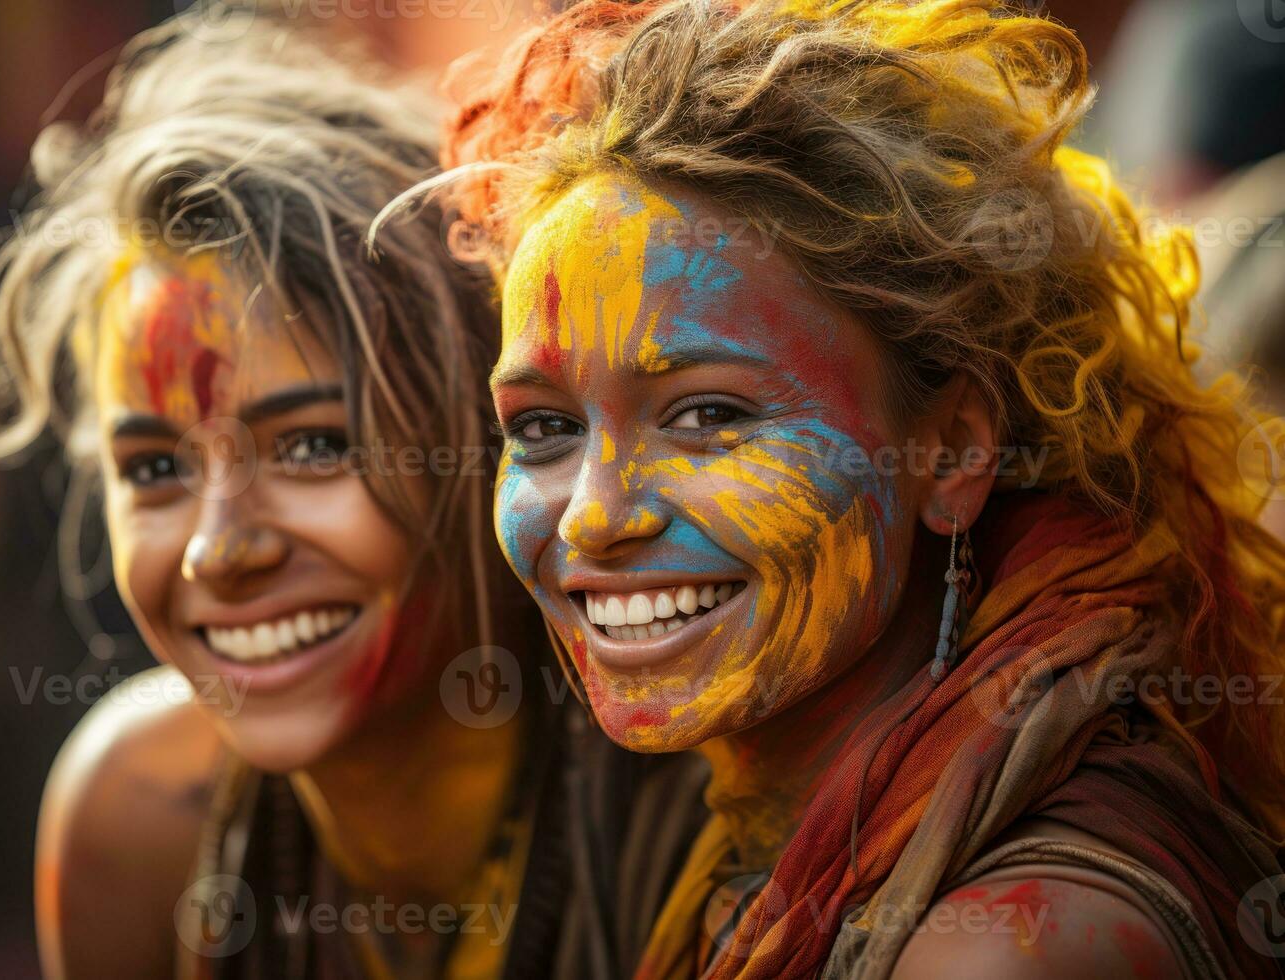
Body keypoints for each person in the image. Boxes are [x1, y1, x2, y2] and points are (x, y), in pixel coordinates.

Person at [411, 0, 1285, 975]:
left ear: (951, 450)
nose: (596, 515)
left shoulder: (1003, 947)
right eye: (545, 427)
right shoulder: (744, 834)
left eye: (706, 416)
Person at [0, 10, 705, 978]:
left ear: (493, 438)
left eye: (314, 445)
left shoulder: (713, 834)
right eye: (156, 468)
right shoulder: (141, 823)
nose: (219, 549)